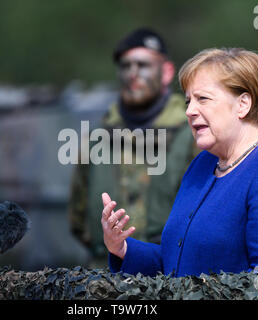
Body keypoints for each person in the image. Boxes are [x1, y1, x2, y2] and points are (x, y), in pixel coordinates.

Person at [101, 48, 258, 300]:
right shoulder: (202, 164)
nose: (189, 110)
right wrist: (122, 248)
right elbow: (178, 268)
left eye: (203, 99)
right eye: (189, 100)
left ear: (243, 104)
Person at [69, 28, 196, 267]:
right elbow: (79, 220)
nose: (133, 74)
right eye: (125, 66)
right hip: (103, 280)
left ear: (167, 72)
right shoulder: (98, 138)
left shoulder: (193, 136)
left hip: (170, 280)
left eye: (143, 65)